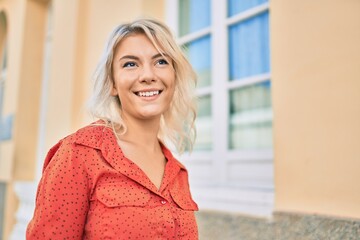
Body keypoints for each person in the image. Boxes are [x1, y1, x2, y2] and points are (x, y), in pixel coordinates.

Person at [26, 18, 199, 239]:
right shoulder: (79, 154)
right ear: (113, 84)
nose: (148, 75)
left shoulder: (177, 172)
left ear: (174, 76)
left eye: (161, 61)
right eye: (130, 64)